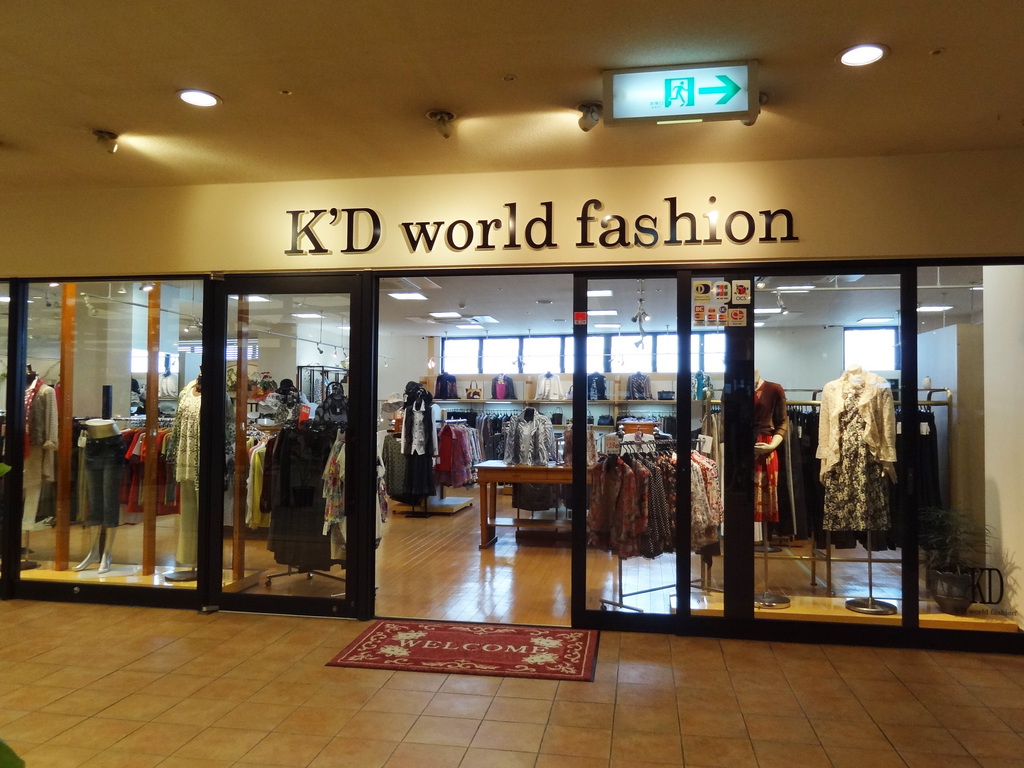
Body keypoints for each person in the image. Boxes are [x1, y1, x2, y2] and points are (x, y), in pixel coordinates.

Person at [73, 419, 127, 573]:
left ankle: (107, 554)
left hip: (113, 444)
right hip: (92, 443)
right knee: (94, 501)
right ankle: (93, 552)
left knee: (110, 500)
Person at [753, 368, 788, 523]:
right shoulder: (733, 388)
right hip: (739, 449)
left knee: (764, 498)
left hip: (765, 446)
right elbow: (726, 421)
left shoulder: (774, 389)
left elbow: (783, 422)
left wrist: (772, 445)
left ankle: (766, 535)